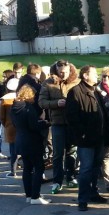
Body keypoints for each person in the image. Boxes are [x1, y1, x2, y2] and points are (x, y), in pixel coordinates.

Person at [65, 65, 109, 211]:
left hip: (99, 137)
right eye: (94, 73)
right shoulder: (76, 92)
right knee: (86, 169)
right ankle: (82, 199)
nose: (97, 76)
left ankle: (93, 192)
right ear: (85, 75)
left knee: (96, 168)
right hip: (86, 139)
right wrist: (82, 133)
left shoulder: (96, 91)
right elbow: (72, 117)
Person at [38, 60, 80, 194]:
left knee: (72, 151)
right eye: (60, 72)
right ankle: (57, 181)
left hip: (73, 123)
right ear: (56, 70)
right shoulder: (48, 82)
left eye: (66, 72)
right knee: (57, 154)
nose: (63, 75)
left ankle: (71, 177)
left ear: (70, 70)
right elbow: (41, 102)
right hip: (57, 122)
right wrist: (56, 103)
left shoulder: (76, 82)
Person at [11, 84, 51, 205]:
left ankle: (29, 195)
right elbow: (34, 126)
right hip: (32, 142)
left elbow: (15, 124)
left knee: (27, 169)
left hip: (20, 140)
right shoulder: (28, 107)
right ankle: (35, 196)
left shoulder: (14, 107)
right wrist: (46, 123)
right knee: (39, 168)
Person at [0, 78, 20, 177]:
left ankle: (13, 171)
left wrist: (6, 125)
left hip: (10, 127)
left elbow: (1, 117)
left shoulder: (4, 99)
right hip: (21, 127)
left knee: (13, 151)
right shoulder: (21, 97)